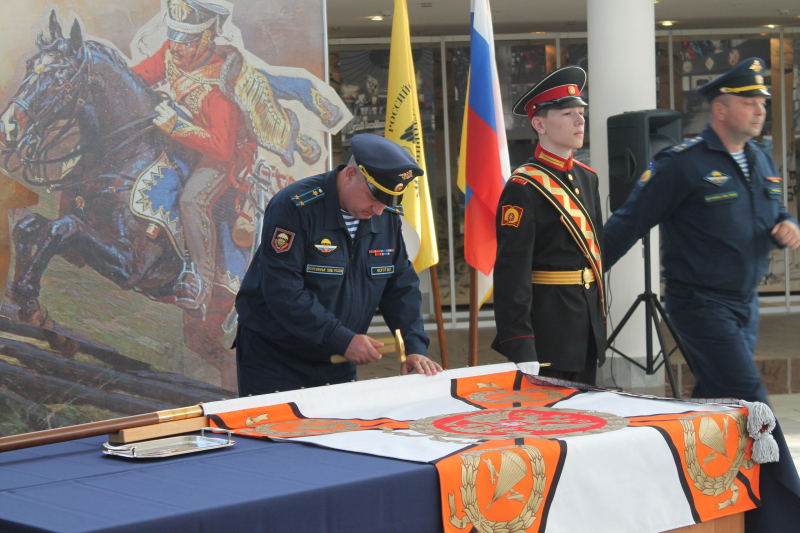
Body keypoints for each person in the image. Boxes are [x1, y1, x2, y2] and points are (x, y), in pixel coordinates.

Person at [603, 57, 800, 531]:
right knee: (753, 404)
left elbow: (773, 209)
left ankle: (683, 499)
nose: (760, 109)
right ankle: (787, 513)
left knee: (713, 404)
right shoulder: (682, 164)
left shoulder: (760, 158)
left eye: (762, 102)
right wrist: (580, 275)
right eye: (749, 102)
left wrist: (787, 223)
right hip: (699, 304)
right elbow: (629, 222)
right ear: (720, 109)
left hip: (745, 304)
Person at [234, 133, 442, 395]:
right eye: (374, 197)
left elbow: (400, 286)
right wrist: (343, 339)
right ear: (350, 174)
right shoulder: (294, 207)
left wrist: (413, 346)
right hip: (276, 358)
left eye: (388, 201)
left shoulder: (385, 216)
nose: (379, 210)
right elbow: (283, 290)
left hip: (338, 359)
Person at [132, 0, 251, 311]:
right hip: (186, 140)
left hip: (226, 155)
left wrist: (177, 128)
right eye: (173, 37)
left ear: (205, 38)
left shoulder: (220, 85)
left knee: (192, 200)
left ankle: (200, 281)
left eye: (185, 40)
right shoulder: (171, 52)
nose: (175, 46)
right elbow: (137, 78)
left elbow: (222, 146)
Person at [492, 66, 606, 385]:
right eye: (567, 113)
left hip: (585, 326)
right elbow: (512, 274)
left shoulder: (587, 178)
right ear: (539, 124)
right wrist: (520, 343)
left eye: (580, 112)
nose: (579, 120)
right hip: (548, 331)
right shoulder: (523, 186)